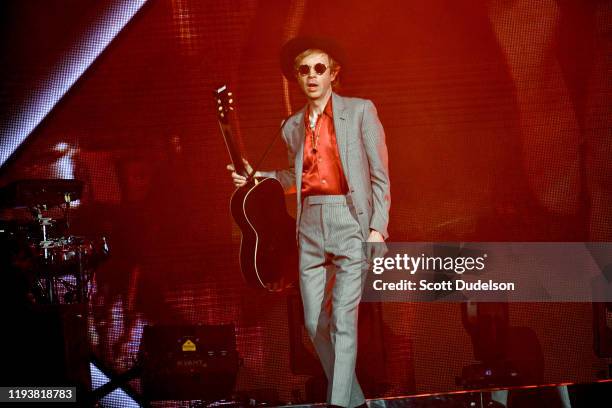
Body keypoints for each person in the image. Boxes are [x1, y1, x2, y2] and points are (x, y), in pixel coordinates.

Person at [228, 37, 390, 408]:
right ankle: (356, 402)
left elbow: (380, 174)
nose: (312, 76)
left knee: (342, 321)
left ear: (333, 73)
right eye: (304, 70)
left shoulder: (361, 111)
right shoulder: (291, 126)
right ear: (296, 79)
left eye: (319, 68)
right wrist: (257, 177)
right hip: (310, 224)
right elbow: (292, 176)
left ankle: (339, 405)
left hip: (349, 219)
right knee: (314, 323)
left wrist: (378, 227)